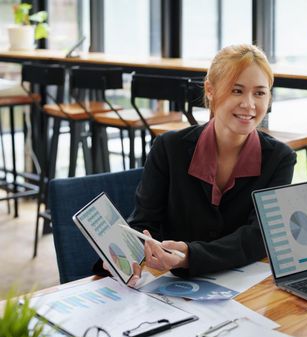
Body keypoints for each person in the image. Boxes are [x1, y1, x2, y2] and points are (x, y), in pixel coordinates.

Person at [108, 44, 296, 284]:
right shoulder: (168, 148)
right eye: (237, 91)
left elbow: (259, 237)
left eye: (259, 93)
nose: (249, 104)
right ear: (210, 90)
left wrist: (190, 256)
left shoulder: (280, 159)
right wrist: (123, 255)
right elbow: (144, 224)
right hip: (170, 286)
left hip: (245, 292)